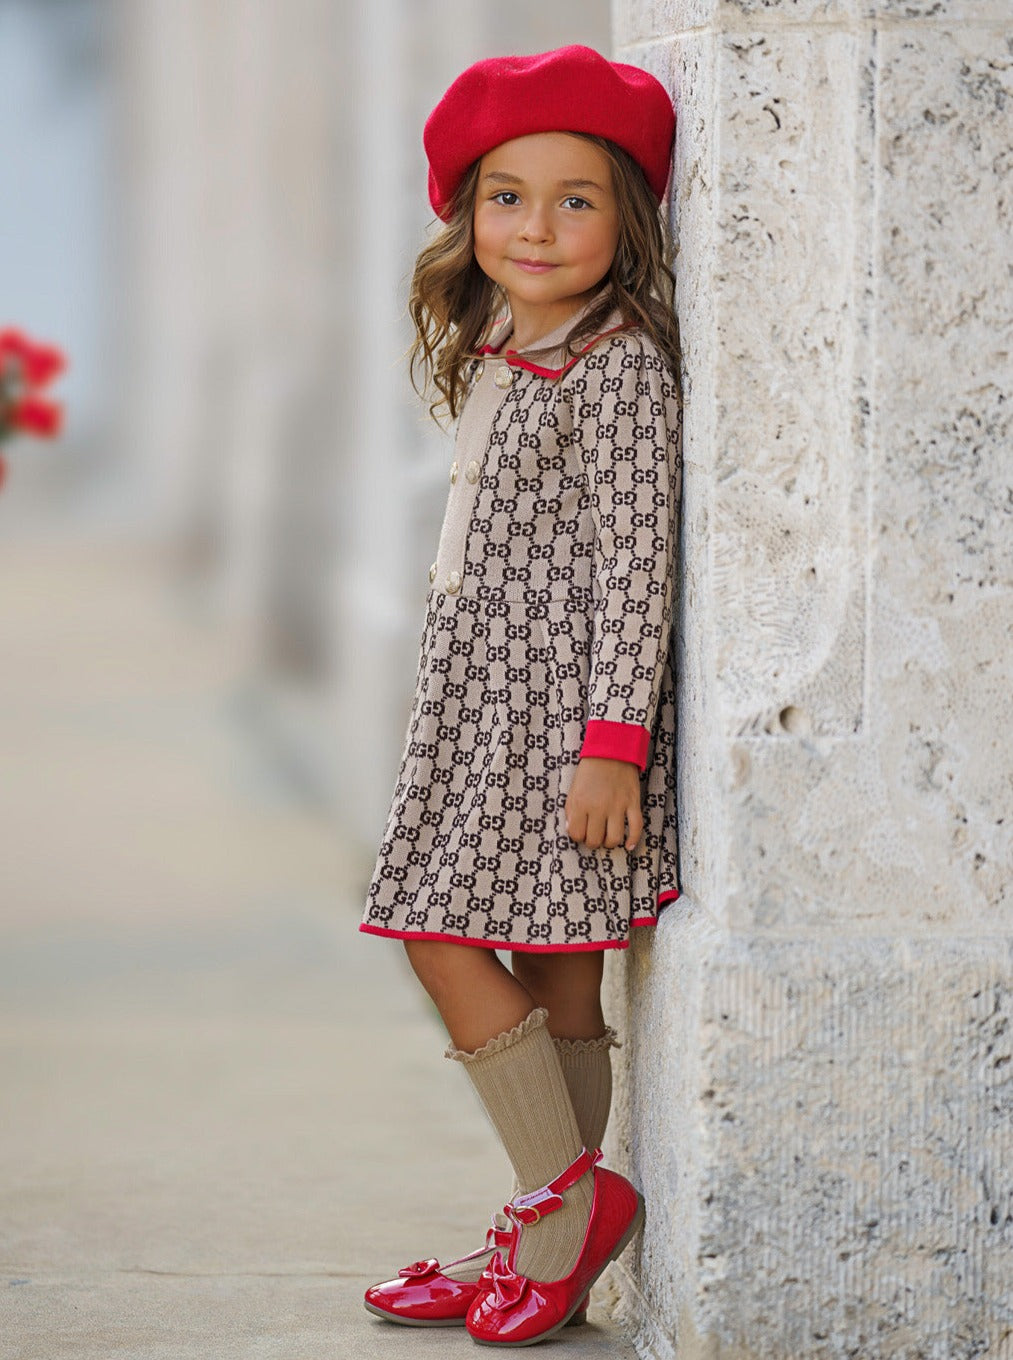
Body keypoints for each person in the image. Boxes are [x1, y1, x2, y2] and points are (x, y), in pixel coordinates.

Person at [360, 44, 683, 1347]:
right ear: (464, 210)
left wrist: (611, 748)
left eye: (575, 199)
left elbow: (636, 569)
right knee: (551, 979)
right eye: (506, 195)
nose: (534, 228)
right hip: (481, 703)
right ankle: (545, 1219)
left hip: (557, 726)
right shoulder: (510, 339)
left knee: (434, 927)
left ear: (630, 217)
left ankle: (565, 1205)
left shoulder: (618, 373)